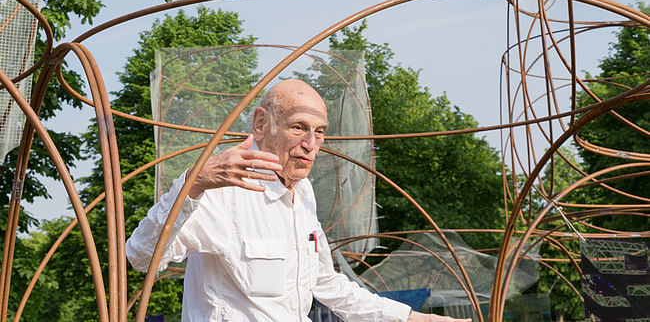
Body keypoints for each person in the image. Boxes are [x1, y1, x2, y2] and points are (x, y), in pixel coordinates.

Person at [127, 78, 472, 322]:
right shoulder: (221, 190)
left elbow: (324, 281)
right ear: (262, 124)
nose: (311, 144)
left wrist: (409, 317)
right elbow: (141, 256)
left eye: (319, 131)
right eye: (298, 127)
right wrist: (194, 183)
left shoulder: (302, 196)